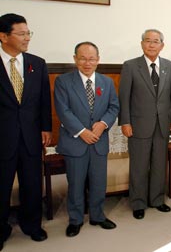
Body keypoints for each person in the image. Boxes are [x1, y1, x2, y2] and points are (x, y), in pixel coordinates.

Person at [54, 42, 119, 237]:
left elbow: (114, 107)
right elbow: (63, 111)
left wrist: (103, 124)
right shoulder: (63, 81)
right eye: (82, 58)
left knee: (99, 182)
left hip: (99, 140)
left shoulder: (106, 82)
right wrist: (82, 131)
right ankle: (75, 220)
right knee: (75, 183)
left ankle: (98, 216)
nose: (87, 62)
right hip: (75, 141)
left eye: (91, 59)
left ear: (98, 60)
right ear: (75, 59)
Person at [0, 13, 51, 250]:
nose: (27, 38)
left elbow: (43, 101)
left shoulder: (37, 63)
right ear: (3, 36)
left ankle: (32, 225)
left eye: (28, 33)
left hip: (31, 136)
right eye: (21, 33)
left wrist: (46, 128)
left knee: (32, 184)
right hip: (3, 138)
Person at [118, 29, 171, 219]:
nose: (152, 45)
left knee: (159, 164)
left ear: (162, 45)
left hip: (162, 124)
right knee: (139, 165)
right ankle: (138, 202)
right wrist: (125, 122)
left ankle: (157, 200)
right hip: (138, 125)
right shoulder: (130, 66)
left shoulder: (170, 66)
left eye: (156, 41)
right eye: (148, 41)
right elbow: (124, 97)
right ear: (142, 43)